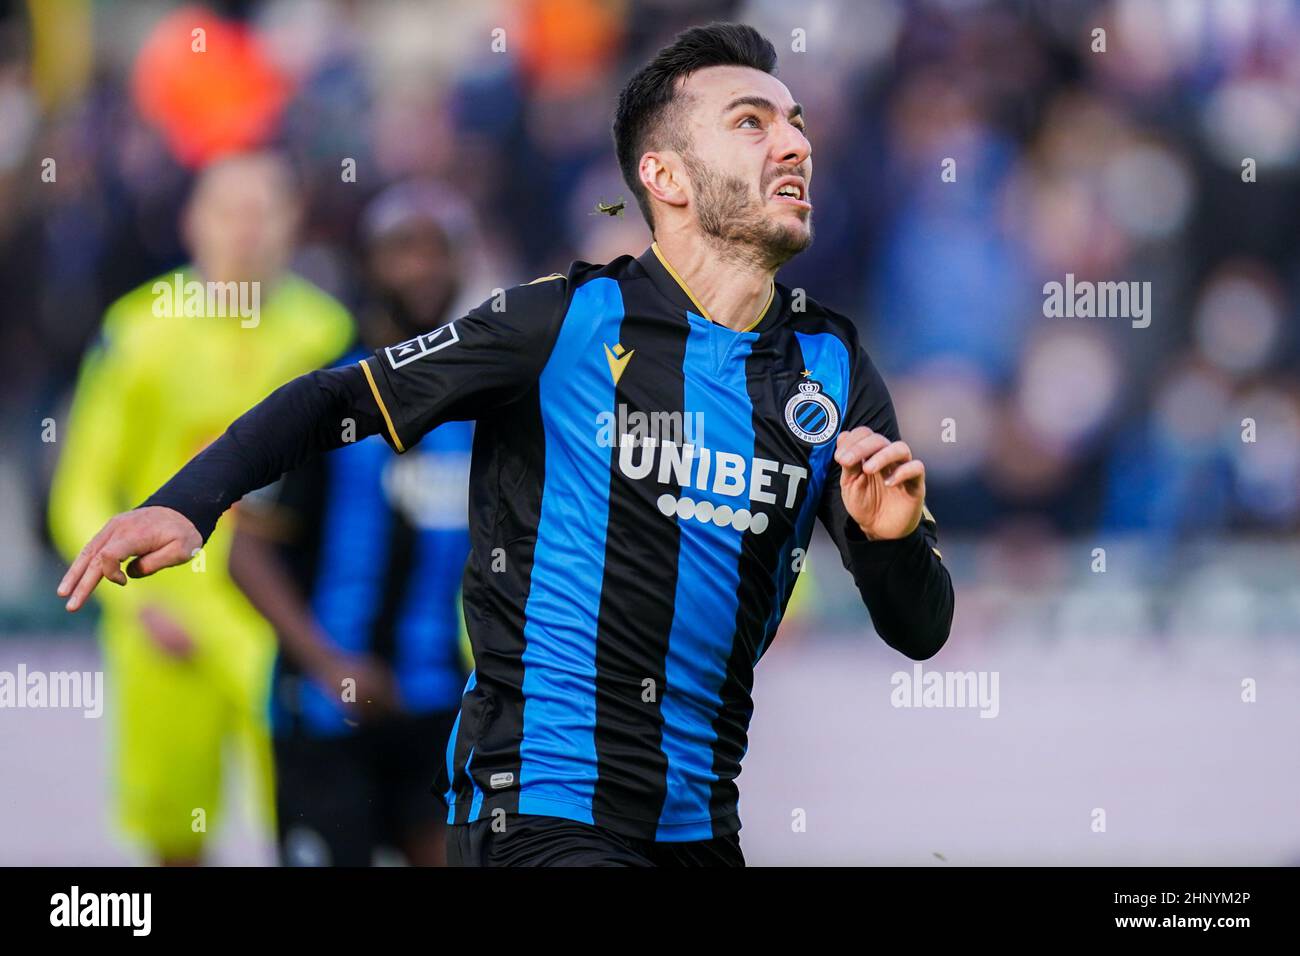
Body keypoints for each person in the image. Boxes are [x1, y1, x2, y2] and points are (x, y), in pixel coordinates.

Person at [58, 23, 954, 867]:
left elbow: (918, 628)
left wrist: (892, 543)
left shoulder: (831, 367)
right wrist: (189, 500)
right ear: (668, 177)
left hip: (698, 823)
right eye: (751, 122)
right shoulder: (562, 322)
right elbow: (340, 395)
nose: (795, 144)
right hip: (538, 805)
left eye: (795, 124)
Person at [48, 152, 354, 865]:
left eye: (263, 212)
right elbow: (82, 486)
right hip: (166, 618)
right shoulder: (141, 330)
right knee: (174, 831)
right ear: (193, 223)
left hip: (280, 618)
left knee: (309, 818)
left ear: (293, 223)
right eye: (228, 212)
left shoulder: (327, 334)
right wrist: (131, 606)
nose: (245, 232)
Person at [228, 183, 475, 866]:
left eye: (440, 250)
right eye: (403, 249)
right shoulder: (321, 397)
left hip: (436, 706)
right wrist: (331, 666)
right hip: (324, 713)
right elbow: (245, 556)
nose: (423, 266)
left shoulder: (480, 406)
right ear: (367, 265)